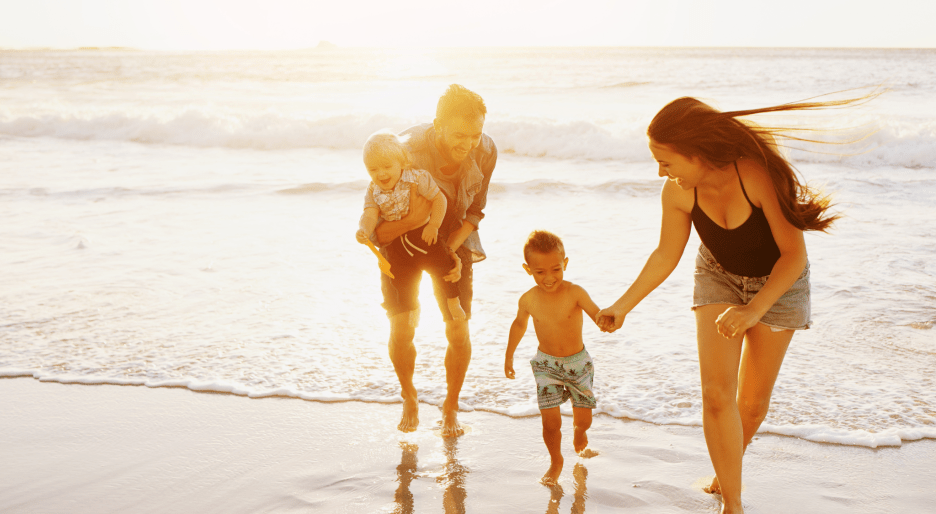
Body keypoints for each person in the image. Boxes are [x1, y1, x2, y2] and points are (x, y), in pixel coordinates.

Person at [595, 94, 870, 514]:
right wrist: (623, 305)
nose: (660, 172)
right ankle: (733, 502)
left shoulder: (754, 176)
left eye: (666, 161)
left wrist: (754, 309)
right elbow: (666, 255)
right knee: (716, 394)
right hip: (717, 275)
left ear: (696, 152)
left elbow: (793, 256)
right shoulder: (678, 192)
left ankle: (727, 474)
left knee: (752, 406)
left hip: (780, 285)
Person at [370, 84, 497, 437]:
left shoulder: (486, 150)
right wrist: (414, 222)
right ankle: (409, 395)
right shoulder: (404, 150)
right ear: (437, 125)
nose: (468, 143)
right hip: (402, 244)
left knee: (458, 327)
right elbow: (377, 232)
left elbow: (475, 210)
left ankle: (450, 405)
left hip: (453, 238)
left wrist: (452, 250)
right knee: (403, 327)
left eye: (475, 134)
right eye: (460, 134)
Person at [504, 230, 601, 486]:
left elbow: (597, 314)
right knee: (550, 423)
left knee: (584, 420)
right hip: (546, 366)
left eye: (556, 269)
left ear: (565, 264)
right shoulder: (528, 300)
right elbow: (518, 326)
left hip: (577, 365)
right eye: (540, 272)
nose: (549, 278)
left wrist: (608, 320)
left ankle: (579, 433)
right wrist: (508, 356)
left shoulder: (575, 292)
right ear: (528, 270)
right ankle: (556, 460)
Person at [356, 130, 467, 324]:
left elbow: (439, 199)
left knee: (443, 264)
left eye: (387, 166)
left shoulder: (417, 178)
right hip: (395, 241)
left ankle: (453, 299)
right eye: (373, 170)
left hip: (423, 233)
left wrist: (433, 225)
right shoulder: (373, 190)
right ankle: (410, 307)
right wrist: (364, 229)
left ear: (401, 162)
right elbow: (369, 214)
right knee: (398, 274)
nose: (381, 173)